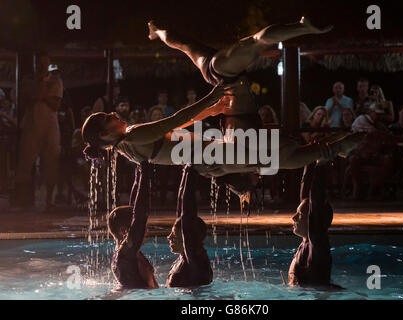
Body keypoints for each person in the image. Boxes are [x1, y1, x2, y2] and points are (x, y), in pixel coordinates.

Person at [81, 84, 364, 180]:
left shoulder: (127, 142)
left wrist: (211, 111)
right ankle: (336, 147)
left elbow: (178, 125)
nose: (113, 114)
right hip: (217, 153)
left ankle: (334, 148)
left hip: (213, 157)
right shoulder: (133, 135)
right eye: (107, 117)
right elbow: (176, 118)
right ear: (105, 135)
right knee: (277, 149)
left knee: (275, 158)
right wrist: (210, 96)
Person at [148, 17, 333, 135]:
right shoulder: (228, 113)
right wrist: (172, 125)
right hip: (216, 74)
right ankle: (156, 31)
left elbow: (190, 118)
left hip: (225, 74)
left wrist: (169, 126)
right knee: (184, 44)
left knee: (256, 42)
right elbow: (192, 118)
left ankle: (302, 26)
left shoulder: (225, 113)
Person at [10, 67, 64, 210]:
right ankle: (22, 198)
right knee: (25, 162)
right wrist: (42, 91)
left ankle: (49, 201)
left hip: (50, 126)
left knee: (52, 162)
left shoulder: (56, 80)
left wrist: (43, 95)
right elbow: (27, 99)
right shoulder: (28, 81)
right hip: (32, 125)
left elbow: (55, 104)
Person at [108, 161, 158, 289]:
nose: (145, 229)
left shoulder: (124, 251)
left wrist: (139, 171)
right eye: (141, 227)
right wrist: (146, 171)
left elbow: (135, 208)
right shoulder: (127, 250)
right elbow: (140, 214)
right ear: (124, 230)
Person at [289, 161, 334, 287]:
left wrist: (321, 165)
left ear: (313, 220)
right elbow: (306, 194)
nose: (293, 217)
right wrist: (309, 157)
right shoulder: (306, 242)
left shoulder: (316, 246)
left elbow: (316, 198)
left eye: (300, 215)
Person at [167, 165, 212, 287]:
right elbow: (181, 211)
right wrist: (186, 171)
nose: (168, 237)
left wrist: (192, 171)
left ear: (188, 238)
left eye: (174, 235)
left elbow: (187, 213)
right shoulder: (184, 257)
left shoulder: (195, 260)